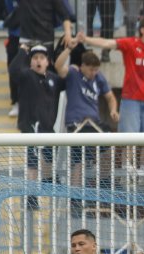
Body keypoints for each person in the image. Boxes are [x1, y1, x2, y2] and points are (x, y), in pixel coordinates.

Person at [56, 46, 117, 211]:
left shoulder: (99, 78)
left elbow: (110, 97)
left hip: (95, 125)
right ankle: (75, 199)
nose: (94, 73)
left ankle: (104, 186)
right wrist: (68, 49)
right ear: (82, 66)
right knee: (78, 160)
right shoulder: (73, 74)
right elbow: (58, 67)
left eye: (96, 70)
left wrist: (113, 110)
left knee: (110, 147)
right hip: (77, 125)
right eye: (91, 70)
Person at [9, 43, 64, 210]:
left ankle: (47, 181)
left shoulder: (53, 78)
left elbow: (66, 83)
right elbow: (13, 70)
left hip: (48, 126)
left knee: (49, 156)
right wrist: (21, 51)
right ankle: (31, 196)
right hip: (31, 126)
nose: (38, 61)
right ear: (30, 61)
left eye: (41, 58)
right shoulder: (26, 75)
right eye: (35, 58)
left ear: (48, 61)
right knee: (33, 163)